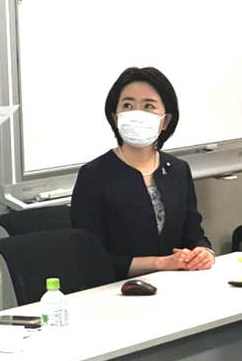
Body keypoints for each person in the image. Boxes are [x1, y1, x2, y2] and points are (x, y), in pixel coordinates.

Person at [71, 67, 214, 280]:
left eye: (148, 106)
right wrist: (160, 263)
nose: (136, 114)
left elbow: (194, 235)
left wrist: (203, 253)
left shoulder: (178, 170)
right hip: (117, 289)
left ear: (165, 121)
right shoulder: (93, 175)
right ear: (115, 117)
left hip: (177, 284)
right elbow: (89, 258)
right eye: (127, 105)